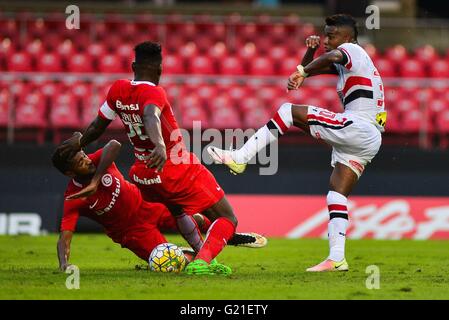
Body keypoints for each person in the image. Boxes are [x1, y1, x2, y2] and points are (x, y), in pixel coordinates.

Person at [208, 14, 386, 272]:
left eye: (331, 36)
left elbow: (330, 59)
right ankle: (337, 258)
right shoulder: (351, 60)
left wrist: (303, 69)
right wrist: (309, 54)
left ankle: (242, 156)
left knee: (289, 111)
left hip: (360, 126)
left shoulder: (352, 50)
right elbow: (311, 72)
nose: (327, 40)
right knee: (336, 193)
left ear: (347, 37)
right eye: (325, 35)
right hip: (367, 138)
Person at [53, 136, 267, 272]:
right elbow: (65, 236)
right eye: (80, 162)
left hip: (147, 204)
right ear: (70, 173)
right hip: (133, 233)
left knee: (185, 215)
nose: (87, 160)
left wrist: (96, 180)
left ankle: (220, 235)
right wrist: (64, 264)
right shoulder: (74, 197)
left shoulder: (97, 161)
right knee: (169, 264)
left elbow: (114, 144)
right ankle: (204, 245)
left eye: (84, 156)